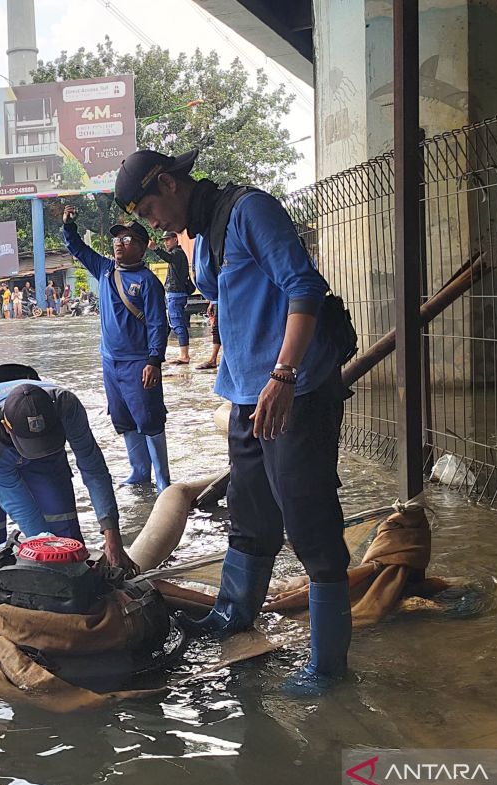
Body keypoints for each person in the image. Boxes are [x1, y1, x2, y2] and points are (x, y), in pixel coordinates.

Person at [114, 147, 347, 697]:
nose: (153, 225)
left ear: (169, 184)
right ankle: (232, 614)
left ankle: (330, 665)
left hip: (294, 391)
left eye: (150, 209)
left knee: (309, 523)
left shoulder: (251, 211)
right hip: (246, 394)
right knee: (251, 513)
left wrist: (284, 376)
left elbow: (304, 287)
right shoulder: (203, 233)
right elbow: (227, 300)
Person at [0, 365, 136, 573]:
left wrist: (113, 538)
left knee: (64, 527)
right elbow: (21, 507)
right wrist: (51, 557)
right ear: (6, 425)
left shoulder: (67, 407)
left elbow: (94, 469)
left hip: (49, 446)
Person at [62, 206, 171, 491]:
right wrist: (69, 227)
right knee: (122, 417)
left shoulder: (148, 282)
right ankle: (139, 471)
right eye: (116, 241)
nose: (119, 245)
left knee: (149, 417)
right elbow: (78, 249)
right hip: (110, 361)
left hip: (139, 362)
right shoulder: (105, 270)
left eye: (126, 241)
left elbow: (159, 324)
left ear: (142, 247)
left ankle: (163, 478)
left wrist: (154, 361)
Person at [151, 231, 195, 364]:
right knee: (168, 326)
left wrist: (155, 248)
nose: (166, 243)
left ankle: (184, 356)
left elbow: (168, 258)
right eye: (164, 240)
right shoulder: (177, 254)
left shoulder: (177, 253)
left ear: (176, 239)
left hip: (175, 295)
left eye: (168, 240)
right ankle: (159, 354)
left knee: (178, 324)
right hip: (173, 295)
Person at [198, 301, 222, 370]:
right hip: (218, 300)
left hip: (221, 300)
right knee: (218, 328)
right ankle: (214, 359)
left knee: (217, 328)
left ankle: (213, 359)